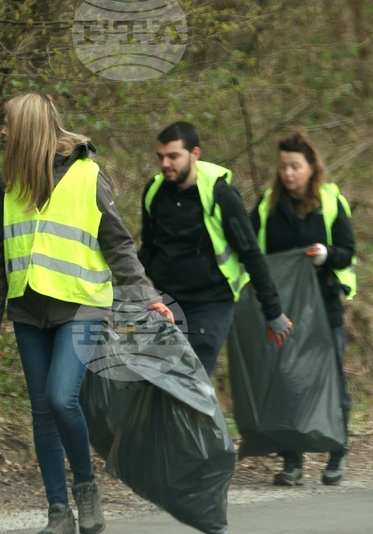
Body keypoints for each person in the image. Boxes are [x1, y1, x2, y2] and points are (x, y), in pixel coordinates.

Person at [0, 93, 172, 534]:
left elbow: (118, 244)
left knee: (62, 398)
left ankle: (85, 486)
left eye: (7, 125)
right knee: (42, 410)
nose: (1, 133)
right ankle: (58, 513)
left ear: (25, 129)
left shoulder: (88, 175)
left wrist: (145, 295)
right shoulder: (6, 183)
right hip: (28, 307)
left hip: (82, 304)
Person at [139, 121, 293, 376]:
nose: (165, 163)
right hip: (166, 302)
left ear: (194, 154)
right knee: (159, 379)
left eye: (173, 156)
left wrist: (273, 312)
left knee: (189, 376)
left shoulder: (221, 195)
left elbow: (251, 254)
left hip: (211, 302)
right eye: (161, 157)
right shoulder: (153, 192)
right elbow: (147, 249)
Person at [250, 129, 356, 487]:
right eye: (283, 167)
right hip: (284, 308)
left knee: (331, 380)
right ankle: (292, 461)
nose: (288, 174)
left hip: (324, 304)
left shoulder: (330, 202)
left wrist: (327, 255)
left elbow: (347, 250)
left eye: (295, 166)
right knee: (287, 380)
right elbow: (250, 250)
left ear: (312, 168)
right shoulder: (267, 206)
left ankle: (336, 451)